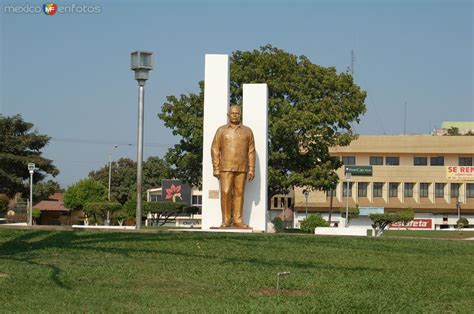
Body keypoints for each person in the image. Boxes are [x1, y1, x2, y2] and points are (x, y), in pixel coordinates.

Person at [211, 105, 255, 228]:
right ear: (228, 115)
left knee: (239, 193)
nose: (235, 115)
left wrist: (251, 168)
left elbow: (251, 151)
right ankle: (225, 220)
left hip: (242, 167)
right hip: (225, 167)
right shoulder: (221, 130)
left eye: (237, 113)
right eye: (232, 113)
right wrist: (216, 167)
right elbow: (215, 149)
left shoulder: (247, 131)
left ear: (240, 114)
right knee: (225, 192)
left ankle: (237, 220)